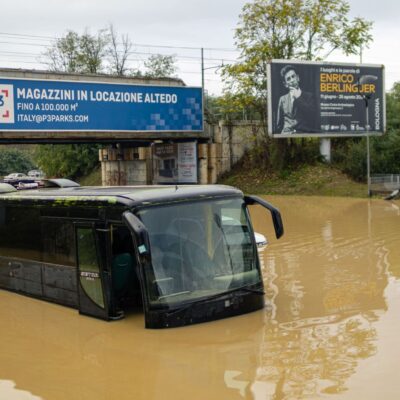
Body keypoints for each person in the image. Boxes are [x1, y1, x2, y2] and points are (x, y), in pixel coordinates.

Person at [275, 65, 317, 134]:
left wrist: (298, 98)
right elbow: (279, 124)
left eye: (293, 76)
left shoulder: (309, 96)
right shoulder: (282, 99)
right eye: (288, 79)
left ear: (298, 78)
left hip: (303, 135)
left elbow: (312, 115)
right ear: (285, 84)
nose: (292, 80)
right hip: (286, 136)